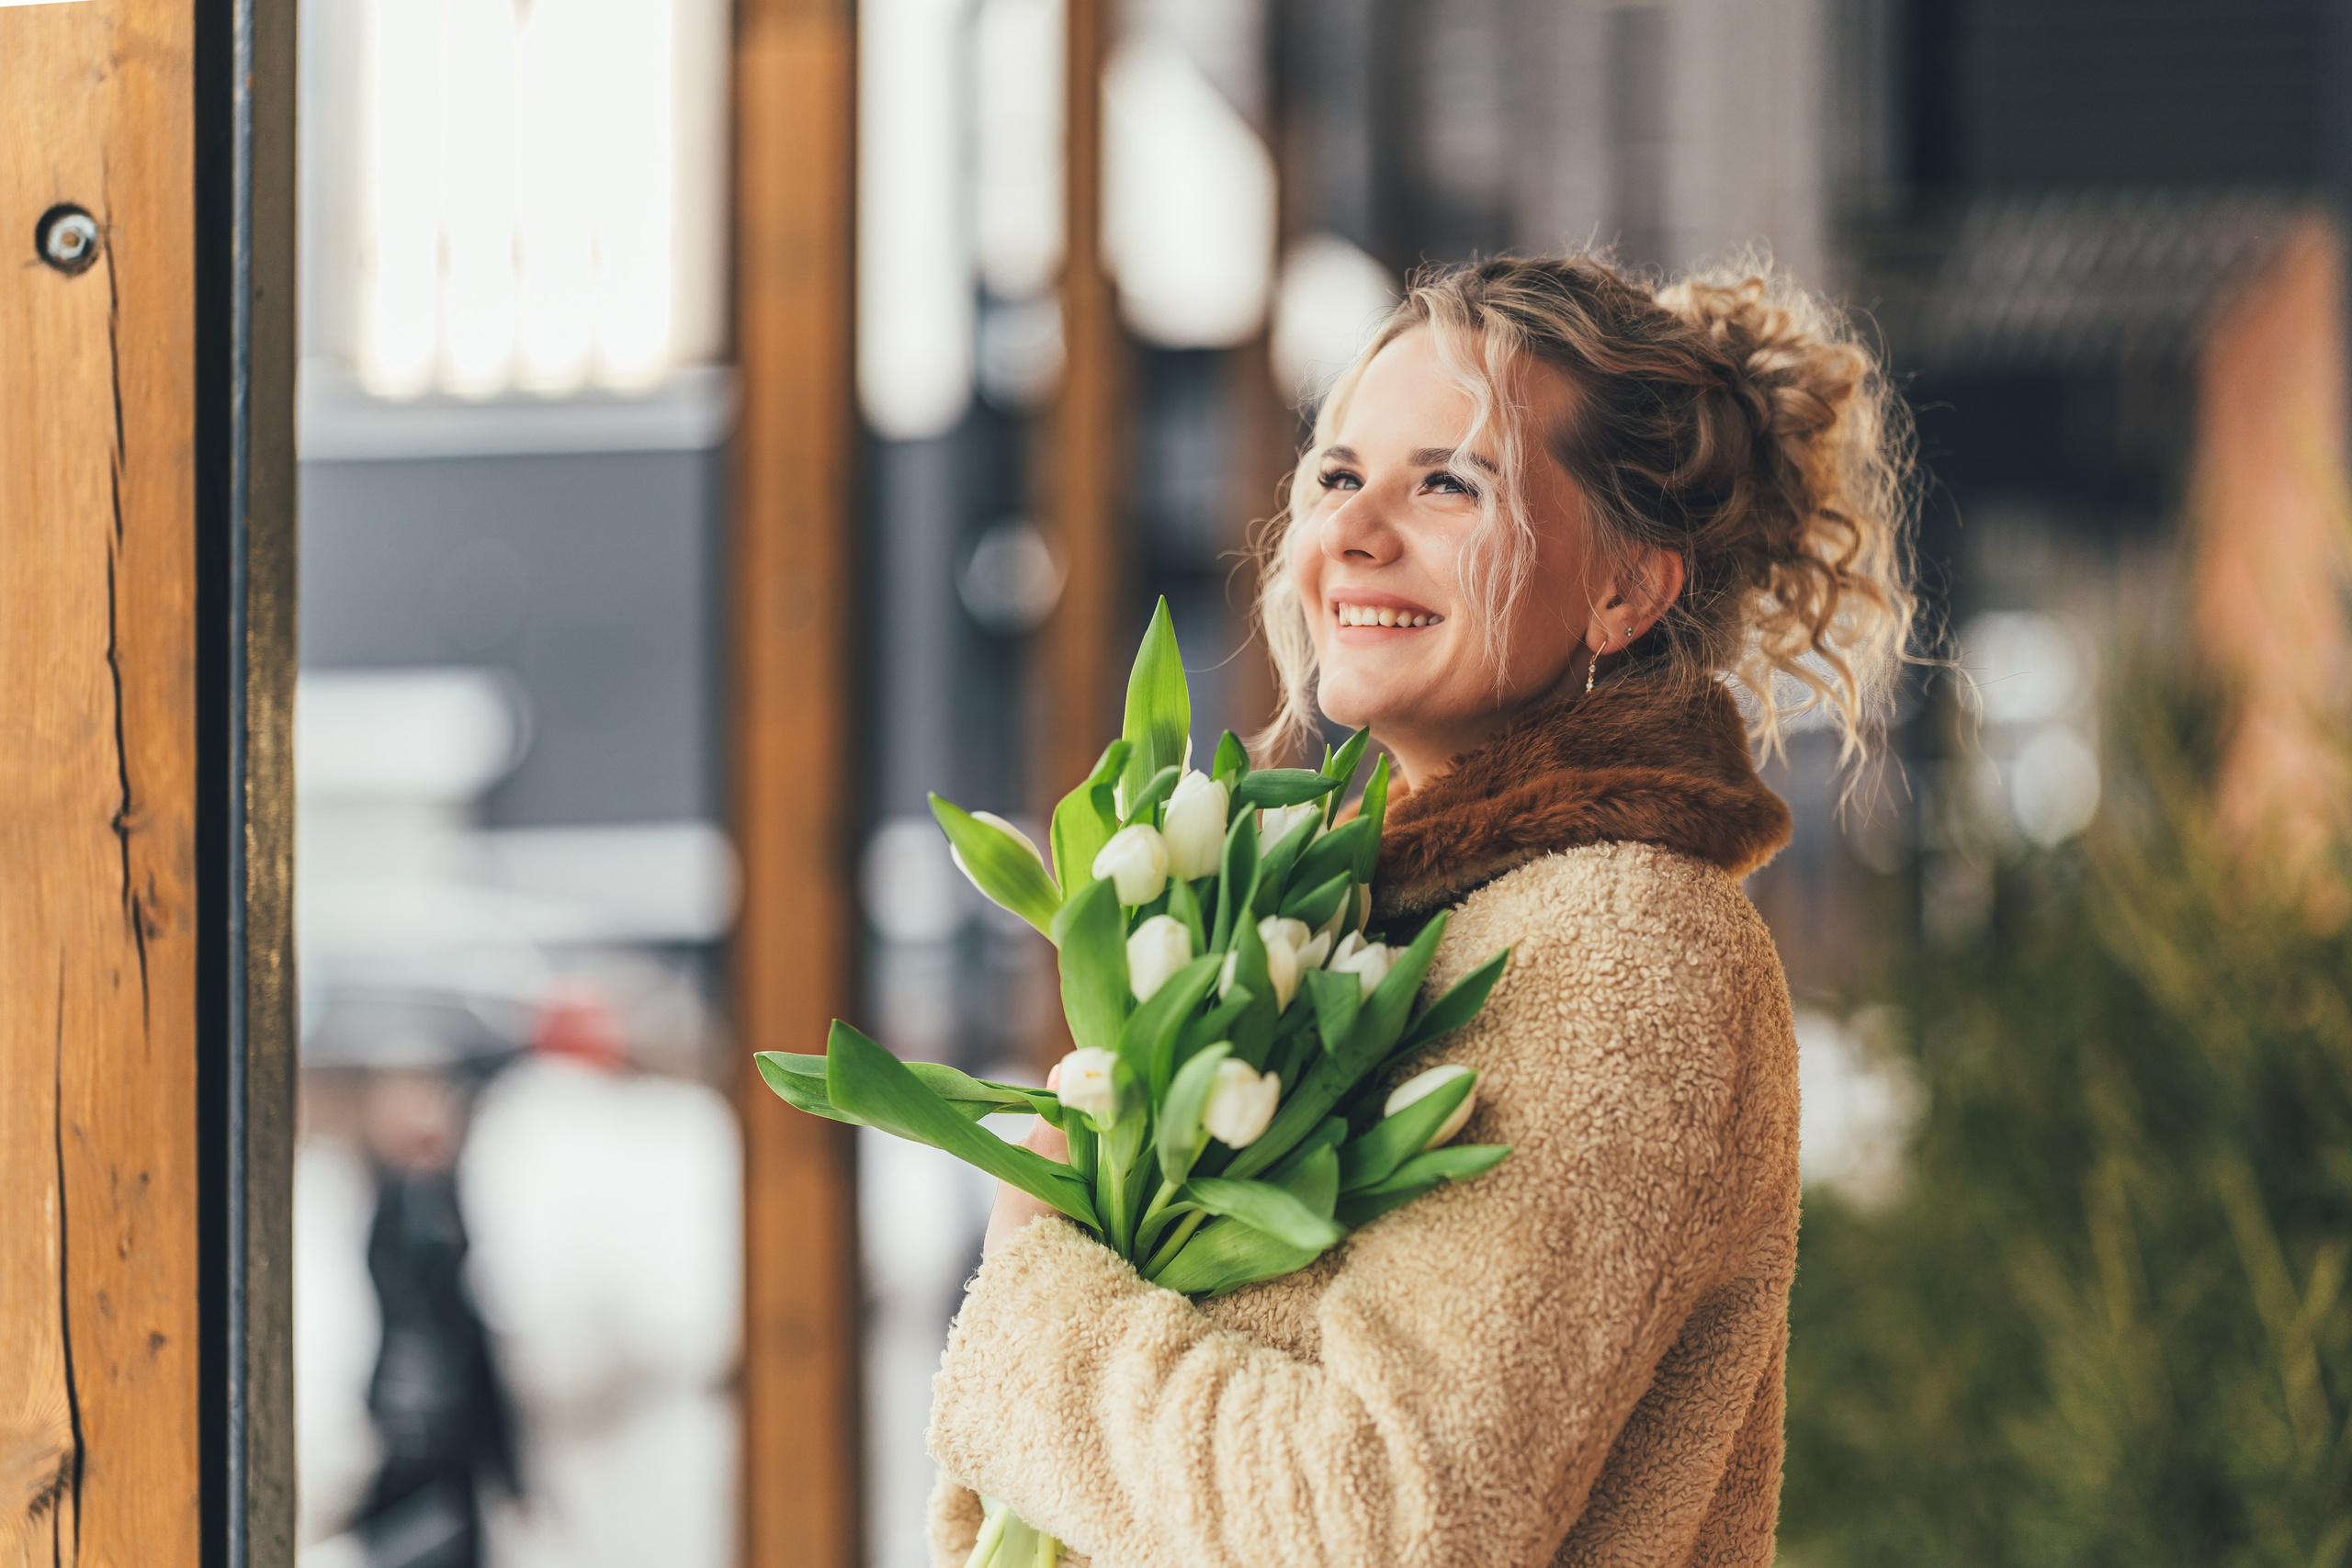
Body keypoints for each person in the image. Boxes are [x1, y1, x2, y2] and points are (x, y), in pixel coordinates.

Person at [925, 254, 1916, 1566]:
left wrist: (1042, 1297)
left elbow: (1393, 1522)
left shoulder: (1622, 943)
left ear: (1627, 585)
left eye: (1449, 482)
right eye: (1338, 476)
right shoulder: (1383, 919)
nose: (1352, 530)